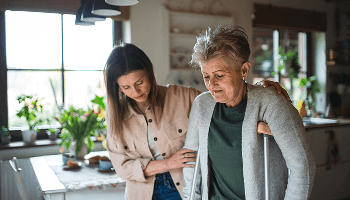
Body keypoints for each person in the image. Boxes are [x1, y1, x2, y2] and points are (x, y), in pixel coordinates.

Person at [104, 43, 290, 200]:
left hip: (184, 188)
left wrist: (259, 91)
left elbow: (226, 101)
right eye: (125, 87)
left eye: (139, 82)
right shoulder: (115, 117)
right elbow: (122, 168)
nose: (135, 92)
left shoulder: (184, 97)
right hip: (142, 193)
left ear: (150, 74)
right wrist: (168, 163)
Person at [182, 26, 316, 200]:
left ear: (244, 70)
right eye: (206, 76)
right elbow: (191, 160)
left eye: (219, 76)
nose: (211, 85)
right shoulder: (202, 104)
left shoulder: (271, 103)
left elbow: (302, 166)